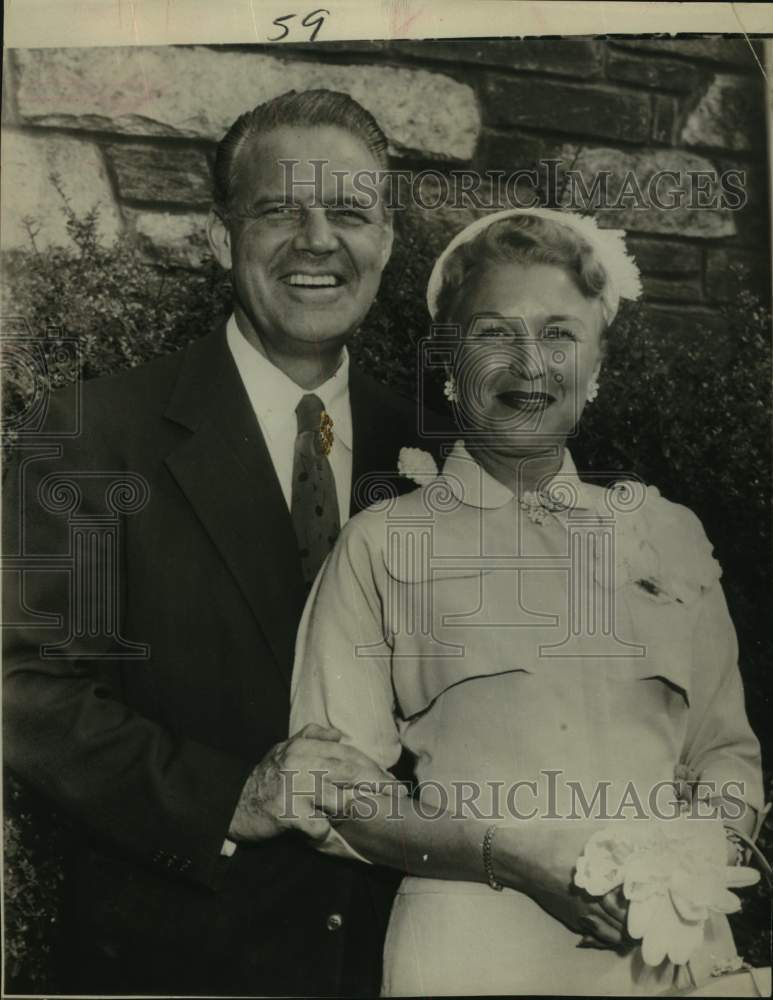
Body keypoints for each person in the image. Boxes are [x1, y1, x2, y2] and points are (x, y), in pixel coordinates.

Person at [2, 89, 447, 996]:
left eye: (351, 213)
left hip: (397, 958)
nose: (318, 239)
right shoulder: (93, 433)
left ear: (387, 246)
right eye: (281, 208)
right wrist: (232, 794)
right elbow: (22, 687)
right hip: (176, 958)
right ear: (220, 239)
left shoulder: (441, 455)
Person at [290, 208, 765, 995]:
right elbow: (337, 791)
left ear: (596, 364)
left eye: (558, 334)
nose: (528, 363)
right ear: (449, 360)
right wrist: (508, 856)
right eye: (493, 334)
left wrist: (698, 861)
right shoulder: (381, 542)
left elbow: (725, 753)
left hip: (668, 950)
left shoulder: (667, 533)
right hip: (473, 948)